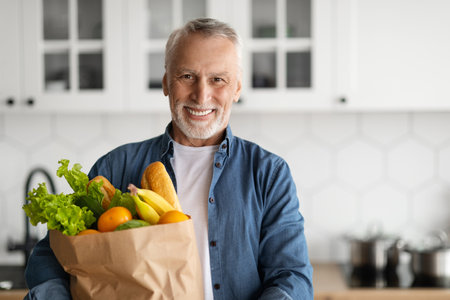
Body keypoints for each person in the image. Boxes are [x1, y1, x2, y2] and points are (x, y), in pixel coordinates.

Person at [24, 18, 313, 299]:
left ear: (236, 88)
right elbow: (50, 257)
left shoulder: (268, 173)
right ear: (166, 83)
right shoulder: (114, 167)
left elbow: (291, 276)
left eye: (218, 80)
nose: (202, 95)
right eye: (187, 76)